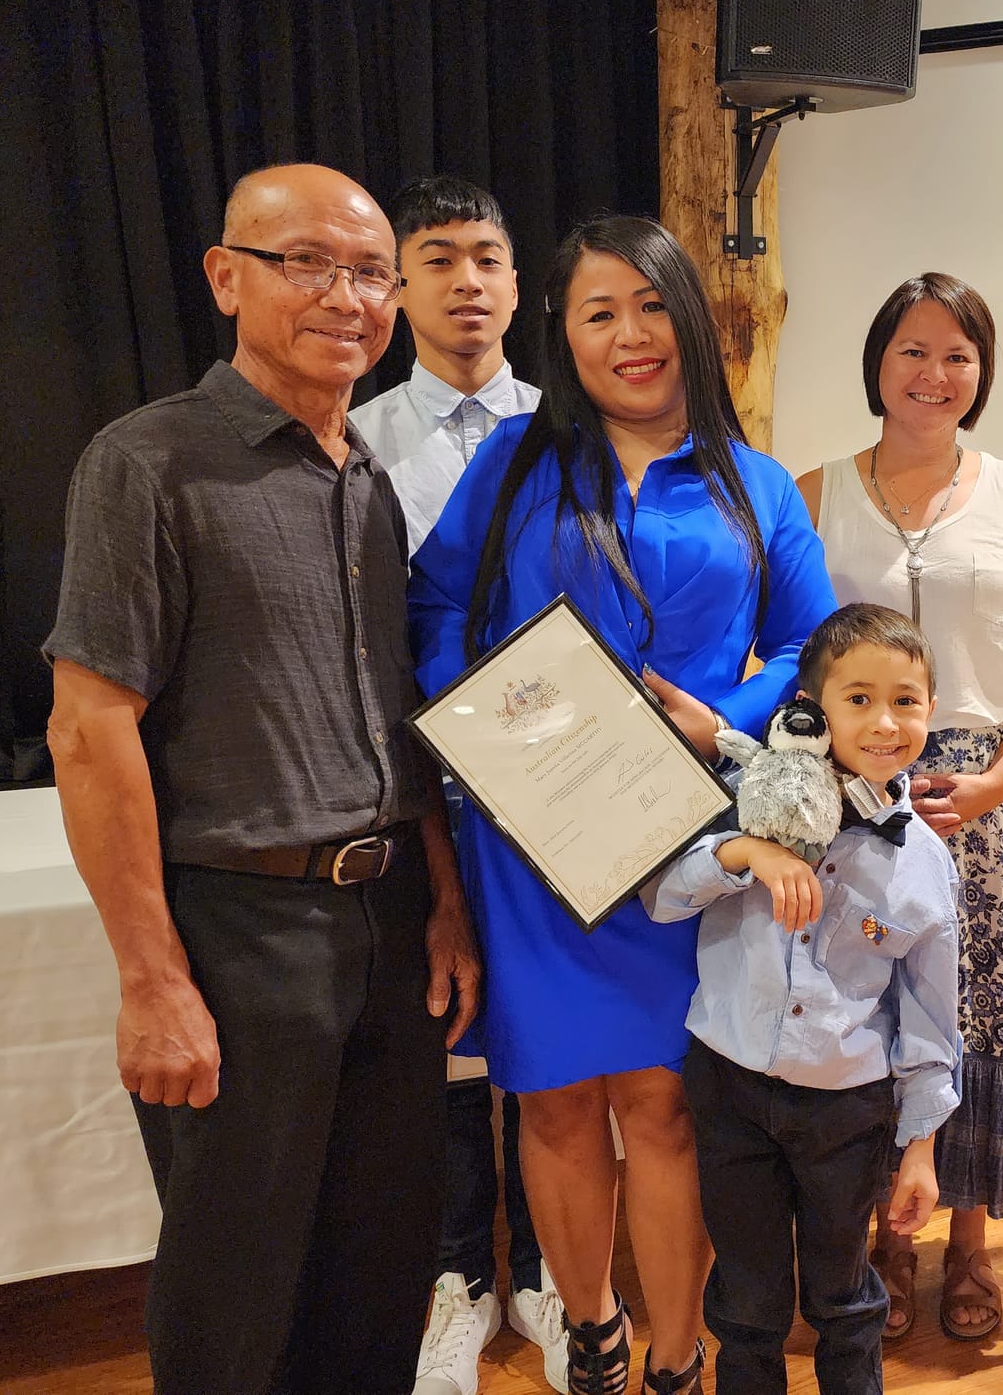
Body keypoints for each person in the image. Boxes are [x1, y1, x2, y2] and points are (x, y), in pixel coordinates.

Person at [43, 163, 480, 1395]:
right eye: (309, 263)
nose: (346, 296)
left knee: (380, 1271)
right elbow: (89, 733)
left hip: (388, 922)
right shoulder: (147, 465)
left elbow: (399, 725)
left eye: (370, 272)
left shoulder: (366, 486)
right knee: (235, 1287)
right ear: (226, 276)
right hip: (240, 931)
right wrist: (150, 979)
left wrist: (441, 901)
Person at [409, 216, 838, 1395]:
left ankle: (675, 1350)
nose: (629, 334)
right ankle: (590, 1330)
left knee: (661, 1102)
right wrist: (483, 714)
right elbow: (435, 603)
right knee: (551, 1102)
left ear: (687, 320)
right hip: (532, 830)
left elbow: (808, 641)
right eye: (598, 313)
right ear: (562, 334)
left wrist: (721, 721)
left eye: (649, 306)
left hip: (685, 834)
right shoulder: (510, 464)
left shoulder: (751, 483)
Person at [797, 272, 1003, 1343]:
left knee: (977, 1008)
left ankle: (967, 1240)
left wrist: (1000, 778)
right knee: (865, 1004)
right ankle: (880, 1234)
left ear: (982, 374)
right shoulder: (811, 488)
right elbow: (784, 651)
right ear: (877, 361)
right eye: (913, 351)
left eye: (956, 356)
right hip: (851, 783)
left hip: (987, 786)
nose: (933, 374)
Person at [347, 174, 562, 1395]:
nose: (466, 281)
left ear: (517, 283)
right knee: (439, 1031)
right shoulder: (357, 435)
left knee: (541, 1028)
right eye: (437, 259)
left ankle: (541, 1261)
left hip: (555, 780)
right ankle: (452, 1278)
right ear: (398, 286)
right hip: (410, 782)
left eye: (487, 256)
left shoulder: (568, 430)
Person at [647, 603, 962, 1395]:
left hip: (845, 1107)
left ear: (932, 710)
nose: (884, 722)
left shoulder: (923, 863)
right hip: (732, 1087)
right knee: (747, 1298)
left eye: (906, 700)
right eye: (857, 698)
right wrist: (743, 851)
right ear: (812, 709)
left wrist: (921, 1144)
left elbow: (929, 1015)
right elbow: (662, 895)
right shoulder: (748, 803)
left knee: (845, 1295)